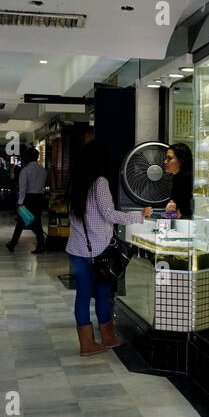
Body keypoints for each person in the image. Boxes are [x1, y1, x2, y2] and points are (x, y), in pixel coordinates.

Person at [67, 141, 153, 355]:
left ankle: (86, 344)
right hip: (99, 250)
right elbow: (109, 214)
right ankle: (107, 336)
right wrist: (139, 217)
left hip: (77, 249)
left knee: (83, 296)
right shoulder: (100, 182)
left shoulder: (75, 183)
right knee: (104, 294)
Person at [8, 147, 48, 254]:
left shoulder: (25, 170)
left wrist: (20, 202)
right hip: (39, 198)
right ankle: (40, 244)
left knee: (21, 221)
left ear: (27, 157)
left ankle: (13, 244)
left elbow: (22, 188)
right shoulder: (43, 170)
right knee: (37, 221)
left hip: (28, 199)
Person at [163, 142, 194, 219]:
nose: (165, 161)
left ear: (181, 160)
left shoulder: (188, 179)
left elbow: (185, 210)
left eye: (169, 158)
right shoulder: (178, 177)